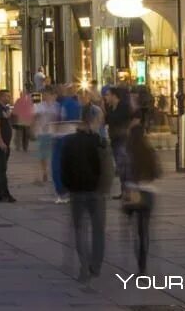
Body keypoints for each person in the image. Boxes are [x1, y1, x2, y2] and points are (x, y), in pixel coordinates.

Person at [59, 107, 111, 283]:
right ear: (93, 121)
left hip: (76, 191)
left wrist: (66, 186)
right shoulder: (99, 141)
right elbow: (106, 168)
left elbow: (63, 166)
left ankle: (84, 265)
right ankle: (95, 266)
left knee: (80, 229)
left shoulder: (69, 141)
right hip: (96, 192)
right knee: (98, 230)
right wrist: (105, 189)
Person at [123, 124, 160, 273]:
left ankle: (138, 257)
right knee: (144, 229)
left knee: (135, 229)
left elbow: (123, 173)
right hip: (148, 192)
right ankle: (143, 264)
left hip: (133, 192)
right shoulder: (149, 151)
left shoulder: (128, 151)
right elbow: (157, 172)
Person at [33, 89, 60, 185]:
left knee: (53, 153)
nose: (45, 96)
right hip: (42, 133)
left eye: (47, 94)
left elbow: (59, 118)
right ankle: (44, 171)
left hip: (53, 133)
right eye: (44, 95)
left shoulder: (56, 106)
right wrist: (35, 128)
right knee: (43, 155)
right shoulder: (39, 106)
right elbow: (35, 118)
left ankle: (52, 171)